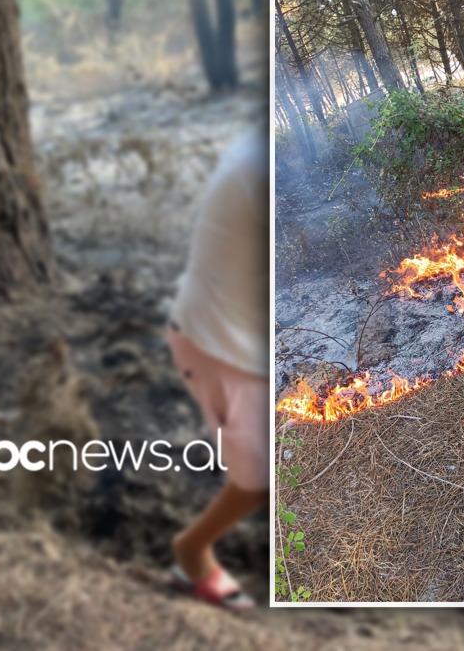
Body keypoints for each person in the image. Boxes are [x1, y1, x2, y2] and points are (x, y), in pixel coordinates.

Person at [167, 127, 269, 610]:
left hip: (224, 329)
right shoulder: (255, 167)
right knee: (257, 478)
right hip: (215, 343)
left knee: (258, 472)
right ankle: (191, 552)